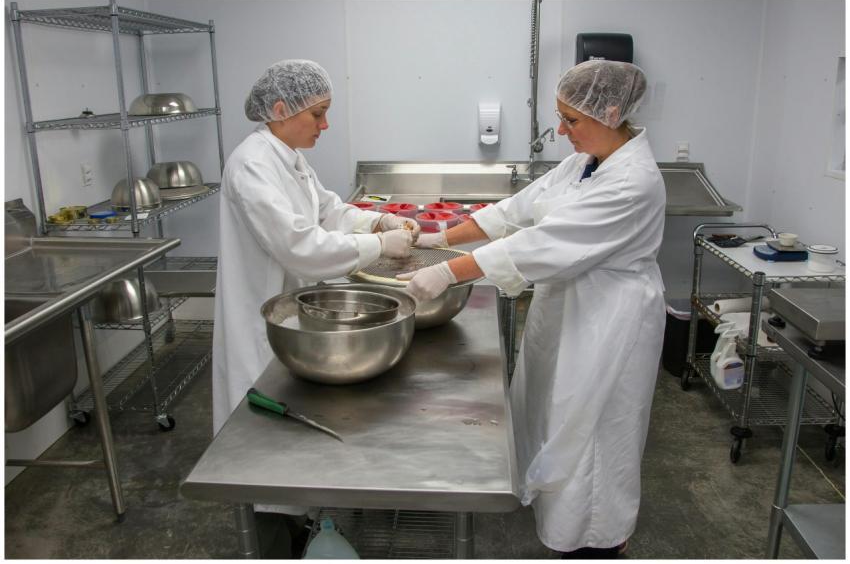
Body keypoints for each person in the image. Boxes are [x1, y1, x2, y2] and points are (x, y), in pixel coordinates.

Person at [398, 60, 665, 558]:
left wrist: (441, 272)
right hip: (568, 307)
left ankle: (596, 540)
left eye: (571, 120)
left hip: (609, 320)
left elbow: (540, 244)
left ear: (610, 112)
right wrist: (438, 239)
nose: (562, 131)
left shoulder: (634, 181)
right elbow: (512, 212)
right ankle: (555, 512)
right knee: (552, 409)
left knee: (593, 431)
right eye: (560, 118)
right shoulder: (584, 162)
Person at [213, 59, 418, 434]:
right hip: (260, 318)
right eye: (318, 114)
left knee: (292, 426)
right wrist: (379, 244)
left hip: (291, 311)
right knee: (261, 433)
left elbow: (326, 209)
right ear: (280, 110)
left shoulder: (290, 158)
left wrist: (376, 220)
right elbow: (299, 246)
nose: (325, 125)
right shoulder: (252, 165)